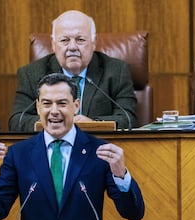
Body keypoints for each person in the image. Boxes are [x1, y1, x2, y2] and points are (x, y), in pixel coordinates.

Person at [0, 73, 144, 220]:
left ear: (76, 106)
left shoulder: (99, 152)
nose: (54, 111)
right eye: (47, 103)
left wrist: (120, 175)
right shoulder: (18, 154)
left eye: (62, 103)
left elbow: (133, 213)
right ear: (38, 107)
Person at [8, 10, 137, 132]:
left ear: (93, 43)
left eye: (80, 39)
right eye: (64, 40)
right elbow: (17, 121)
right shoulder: (32, 74)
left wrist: (92, 124)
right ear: (53, 44)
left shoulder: (116, 71)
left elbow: (128, 119)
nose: (72, 47)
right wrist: (58, 123)